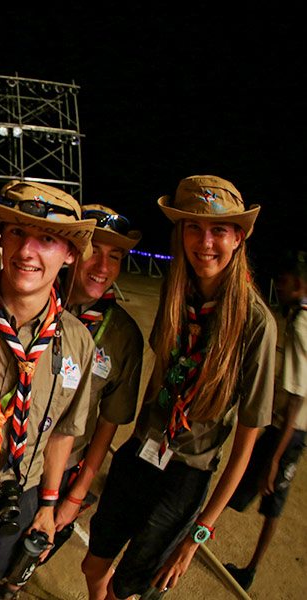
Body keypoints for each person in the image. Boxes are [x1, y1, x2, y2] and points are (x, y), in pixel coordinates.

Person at [82, 175, 276, 600]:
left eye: (218, 230)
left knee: (127, 587)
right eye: (193, 227)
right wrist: (134, 448)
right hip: (142, 453)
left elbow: (246, 442)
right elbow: (158, 377)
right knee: (93, 562)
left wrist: (199, 532)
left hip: (186, 475)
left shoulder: (257, 324)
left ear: (238, 237)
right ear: (180, 233)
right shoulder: (176, 291)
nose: (204, 241)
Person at [0, 181, 97, 600]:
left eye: (47, 239)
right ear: (1, 239)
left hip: (13, 500)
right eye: (17, 233)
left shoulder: (77, 341)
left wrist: (48, 505)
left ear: (68, 256)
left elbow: (64, 430)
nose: (27, 252)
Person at [46, 204, 144, 563]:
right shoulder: (30, 302)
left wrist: (76, 494)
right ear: (72, 252)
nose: (103, 268)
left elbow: (108, 423)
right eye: (94, 251)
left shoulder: (122, 335)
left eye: (114, 256)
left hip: (65, 469)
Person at [223, 254, 307, 591]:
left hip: (290, 431)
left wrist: (275, 457)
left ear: (299, 284)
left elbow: (298, 395)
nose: (279, 287)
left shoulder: (300, 324)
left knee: (269, 496)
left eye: (284, 282)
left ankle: (251, 569)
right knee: (246, 490)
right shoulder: (297, 318)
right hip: (287, 427)